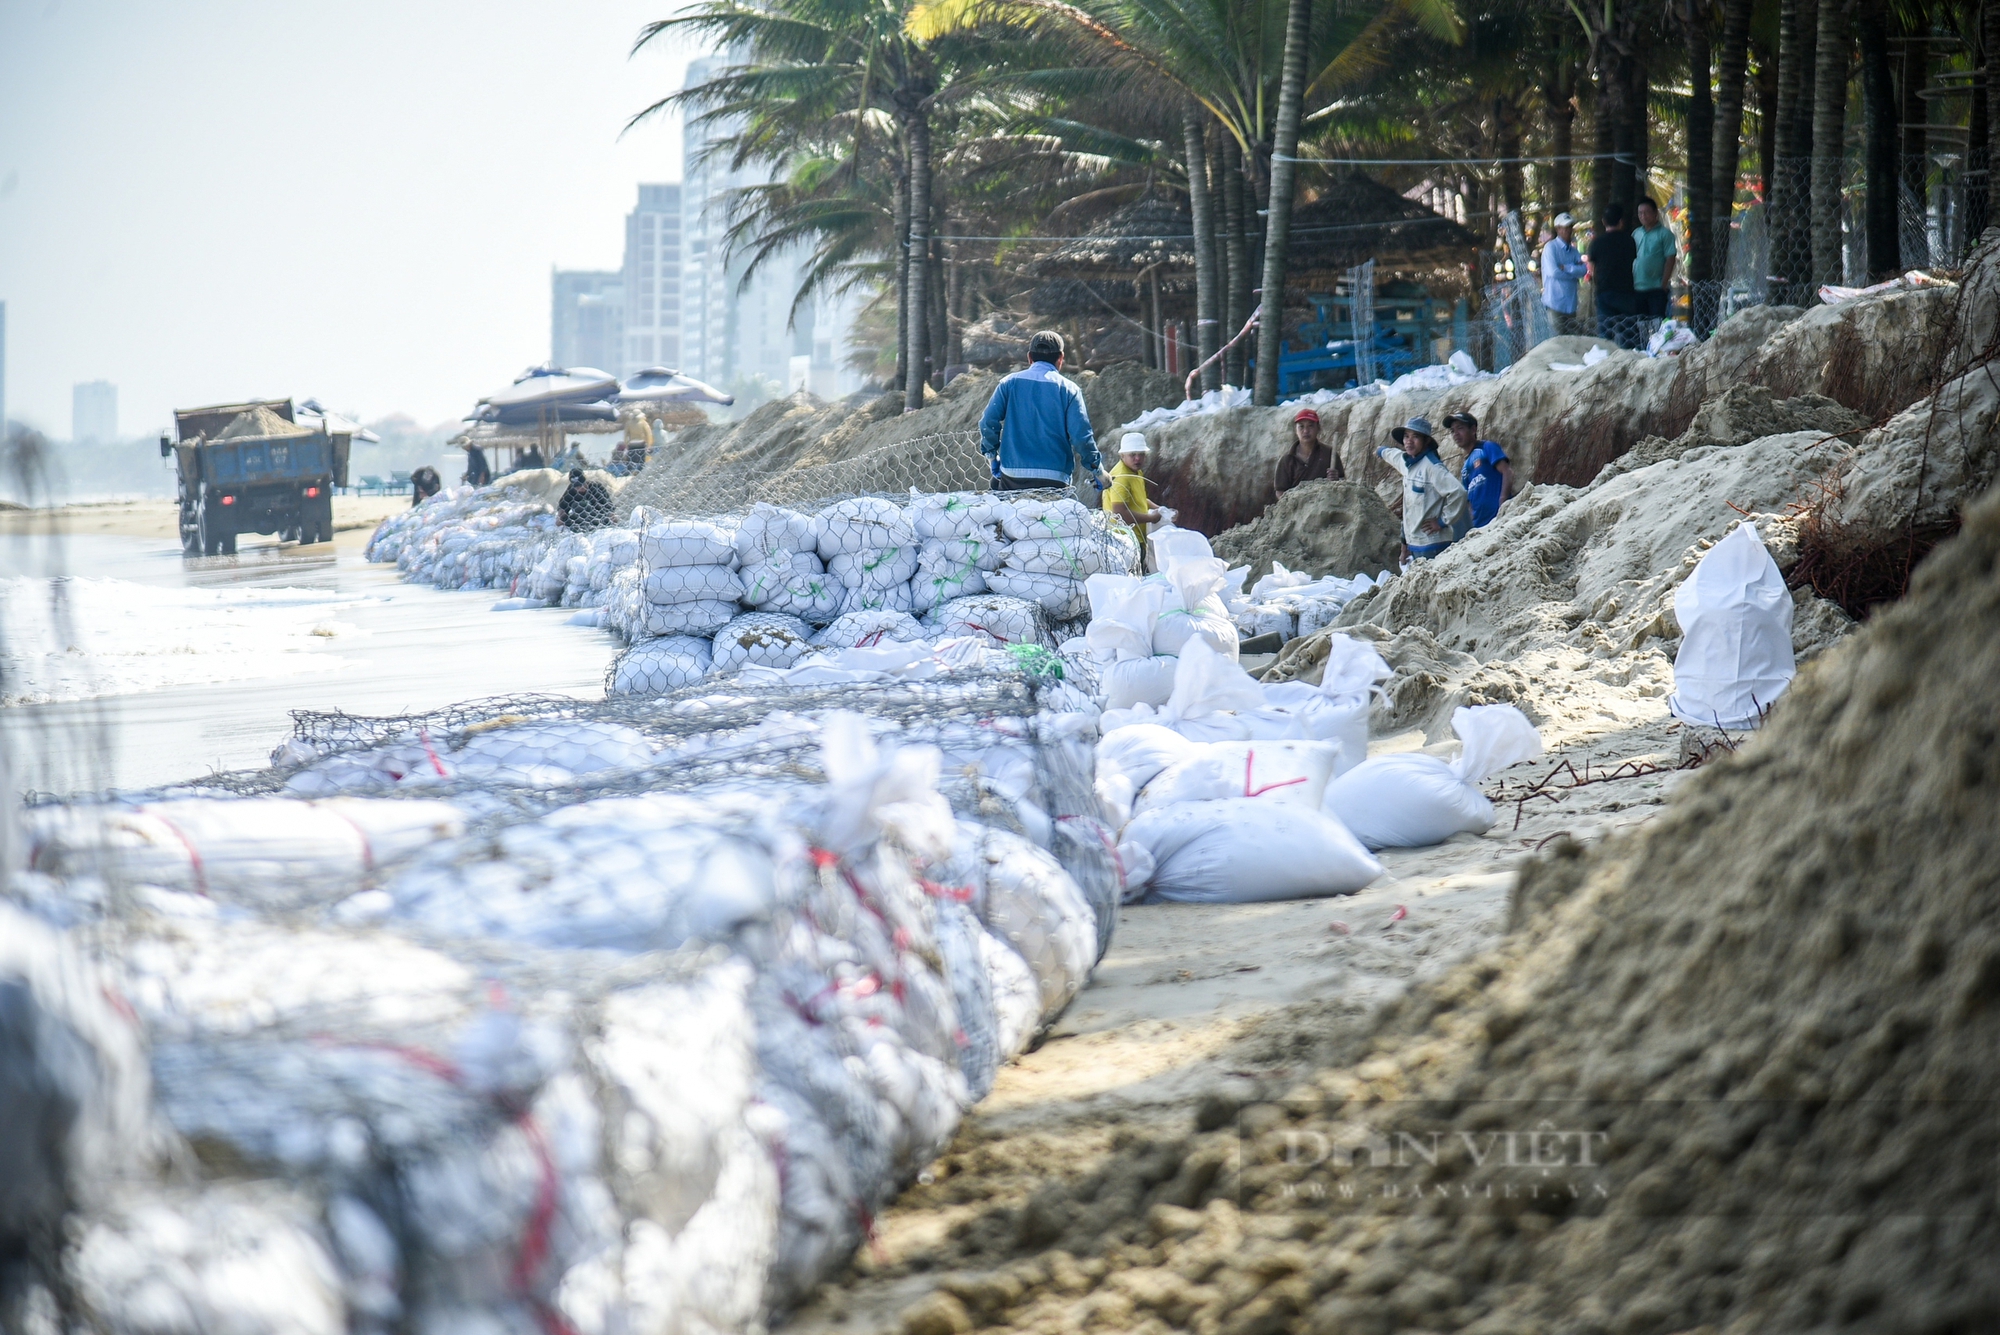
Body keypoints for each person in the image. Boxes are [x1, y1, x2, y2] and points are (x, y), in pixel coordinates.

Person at [978, 330, 1100, 491]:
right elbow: (1081, 437)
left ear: (1029, 357)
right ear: (1061, 358)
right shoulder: (1070, 390)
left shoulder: (1009, 383)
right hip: (1055, 479)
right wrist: (1097, 470)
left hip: (1013, 476)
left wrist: (991, 455)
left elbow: (988, 422)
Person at [1375, 415, 1470, 562]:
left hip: (1433, 544)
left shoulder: (1432, 467)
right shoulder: (1407, 462)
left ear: (1426, 441)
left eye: (1415, 437)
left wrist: (1442, 521)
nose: (1409, 441)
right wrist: (1380, 451)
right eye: (1406, 436)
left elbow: (1458, 492)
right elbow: (1392, 455)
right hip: (1415, 543)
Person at [1443, 411, 1515, 528]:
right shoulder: (1465, 467)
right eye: (1452, 431)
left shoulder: (1487, 447)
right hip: (1480, 525)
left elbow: (1507, 472)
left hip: (1501, 518)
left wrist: (1503, 502)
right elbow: (1468, 500)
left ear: (1473, 429)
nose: (1456, 434)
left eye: (1460, 428)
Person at [1101, 432, 1163, 566]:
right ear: (1122, 455)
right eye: (1132, 455)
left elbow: (1138, 499)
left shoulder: (1135, 472)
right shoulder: (1122, 477)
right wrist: (1152, 518)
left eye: (1141, 454)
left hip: (1135, 537)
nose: (1137, 459)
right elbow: (1120, 513)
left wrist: (1160, 509)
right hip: (1125, 540)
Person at [1587, 203, 1641, 349]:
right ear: (1621, 221)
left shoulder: (1597, 243)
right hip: (1626, 292)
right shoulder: (1629, 241)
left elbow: (1591, 267)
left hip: (1604, 292)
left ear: (1604, 221)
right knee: (1628, 335)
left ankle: (1606, 364)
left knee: (1606, 336)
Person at [1540, 213, 1590, 337]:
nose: (1568, 230)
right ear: (1558, 228)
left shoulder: (1574, 251)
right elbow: (1554, 272)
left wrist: (1567, 268)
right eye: (1565, 227)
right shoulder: (1550, 248)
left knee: (1571, 340)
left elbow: (1584, 270)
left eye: (1570, 227)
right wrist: (1573, 274)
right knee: (1557, 341)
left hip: (1571, 304)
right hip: (1554, 303)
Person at [1632, 196, 1678, 324]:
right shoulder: (1636, 233)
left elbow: (1670, 259)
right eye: (1640, 213)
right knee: (1640, 323)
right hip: (1638, 287)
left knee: (1657, 322)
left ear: (1655, 213)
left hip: (1656, 288)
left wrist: (1663, 283)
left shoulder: (1665, 234)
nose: (1643, 216)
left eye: (1646, 212)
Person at [1275, 408, 1342, 494]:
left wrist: (1337, 480)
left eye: (1310, 426)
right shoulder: (1287, 459)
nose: (1306, 431)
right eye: (1301, 426)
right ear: (1296, 430)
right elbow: (1280, 491)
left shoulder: (1329, 454)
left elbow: (1343, 485)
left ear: (1318, 428)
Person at [556, 467, 614, 531]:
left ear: (585, 481)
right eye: (577, 487)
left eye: (582, 484)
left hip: (597, 516)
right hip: (579, 519)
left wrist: (611, 515)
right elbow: (563, 505)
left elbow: (607, 504)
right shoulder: (571, 490)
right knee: (576, 507)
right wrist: (560, 517)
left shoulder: (595, 487)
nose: (581, 488)